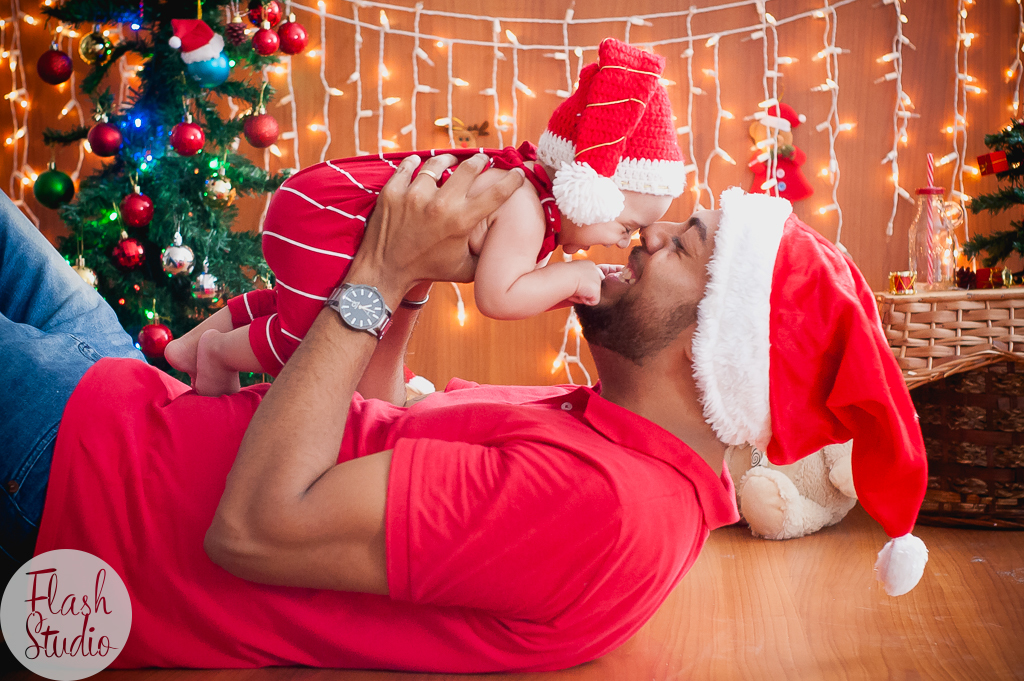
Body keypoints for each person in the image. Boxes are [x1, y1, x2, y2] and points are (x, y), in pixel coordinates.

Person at [1, 151, 928, 672]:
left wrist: (378, 272)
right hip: (127, 393)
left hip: (79, 480)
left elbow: (254, 527)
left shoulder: (599, 508)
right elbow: (364, 427)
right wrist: (408, 284)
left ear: (716, 349)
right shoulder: (615, 441)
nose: (645, 234)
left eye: (682, 245)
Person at [163, 37, 686, 396]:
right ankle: (219, 354)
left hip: (316, 201)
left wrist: (569, 285)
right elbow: (498, 297)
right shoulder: (523, 206)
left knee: (302, 306)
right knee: (310, 345)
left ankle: (188, 346)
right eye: (626, 225)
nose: (622, 240)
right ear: (586, 187)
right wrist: (573, 276)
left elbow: (515, 281)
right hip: (327, 217)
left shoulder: (528, 190)